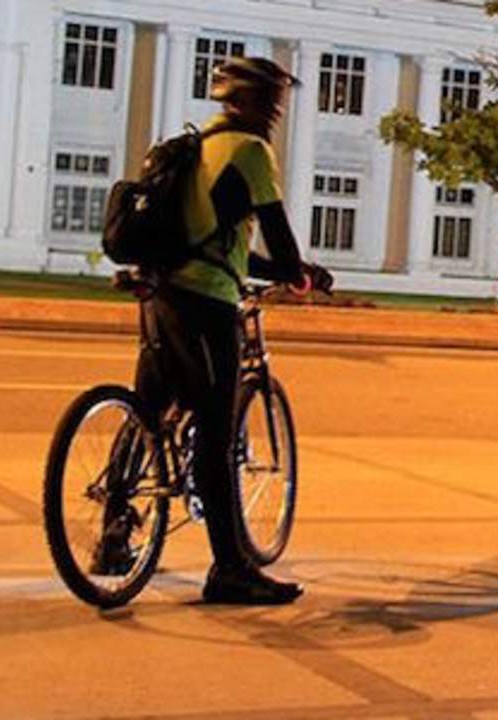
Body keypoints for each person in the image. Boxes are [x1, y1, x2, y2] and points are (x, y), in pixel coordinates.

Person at [97, 57, 331, 605]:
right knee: (216, 432)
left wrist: (290, 272)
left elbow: (227, 246)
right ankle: (230, 568)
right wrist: (302, 274)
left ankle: (113, 535)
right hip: (206, 303)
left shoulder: (194, 147)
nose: (275, 113)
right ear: (246, 101)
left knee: (149, 413)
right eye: (270, 101)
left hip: (160, 293)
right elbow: (277, 236)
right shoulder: (250, 153)